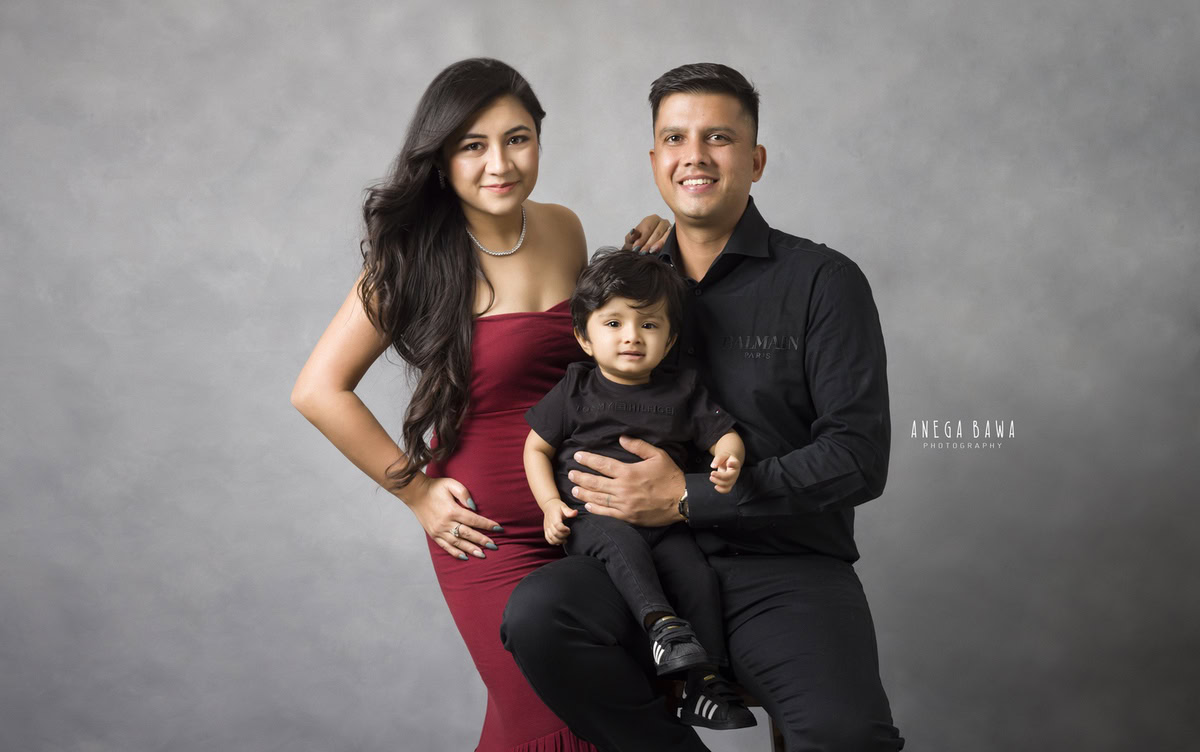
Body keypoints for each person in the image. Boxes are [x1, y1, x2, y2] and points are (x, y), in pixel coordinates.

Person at [501, 63, 906, 751]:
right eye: (675, 138)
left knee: (847, 737)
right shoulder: (627, 286)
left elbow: (858, 460)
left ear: (755, 160)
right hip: (640, 566)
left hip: (782, 568)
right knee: (541, 615)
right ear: (656, 160)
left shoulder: (822, 283)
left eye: (717, 137)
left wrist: (687, 497)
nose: (694, 155)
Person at [290, 57, 669, 752]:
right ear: (441, 158)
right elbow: (317, 390)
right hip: (489, 535)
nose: (500, 162)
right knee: (563, 720)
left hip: (585, 521)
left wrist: (639, 272)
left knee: (594, 710)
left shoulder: (563, 228)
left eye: (517, 138)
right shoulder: (411, 261)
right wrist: (417, 494)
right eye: (473, 145)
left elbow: (588, 356)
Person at [523, 249, 756, 731]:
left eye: (649, 326)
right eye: (613, 324)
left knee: (696, 575)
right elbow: (536, 449)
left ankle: (705, 681)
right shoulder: (575, 389)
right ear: (584, 338)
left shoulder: (683, 390)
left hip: (666, 521)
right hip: (593, 518)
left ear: (670, 339)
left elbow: (722, 433)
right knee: (622, 545)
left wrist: (729, 458)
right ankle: (662, 628)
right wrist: (549, 504)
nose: (631, 336)